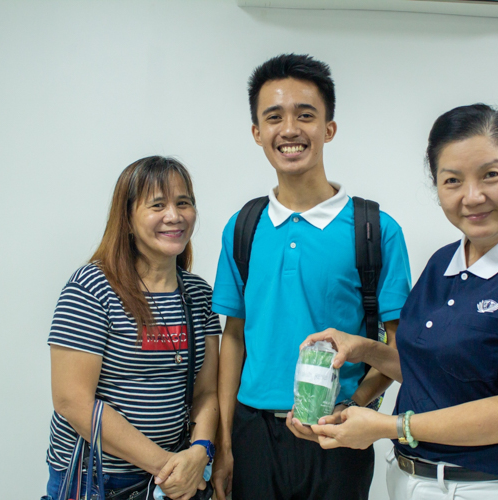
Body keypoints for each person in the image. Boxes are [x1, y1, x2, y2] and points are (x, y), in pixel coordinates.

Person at [303, 104, 498, 500]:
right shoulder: (443, 263)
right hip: (412, 481)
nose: (472, 197)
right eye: (452, 180)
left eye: (491, 174)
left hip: (497, 488)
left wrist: (390, 427)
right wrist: (363, 348)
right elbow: (430, 370)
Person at [210, 54, 412, 500]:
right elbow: (234, 339)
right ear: (257, 133)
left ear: (329, 128)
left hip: (337, 431)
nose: (290, 129)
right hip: (254, 431)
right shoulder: (242, 227)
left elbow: (399, 352)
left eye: (306, 115)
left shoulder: (376, 230)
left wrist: (354, 408)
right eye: (274, 117)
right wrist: (224, 444)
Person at [42, 156, 220, 500]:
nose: (174, 215)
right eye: (158, 205)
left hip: (171, 481)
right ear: (126, 219)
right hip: (97, 481)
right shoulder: (92, 288)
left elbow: (206, 392)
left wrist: (200, 452)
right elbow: (72, 401)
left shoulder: (199, 295)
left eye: (184, 203)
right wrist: (167, 466)